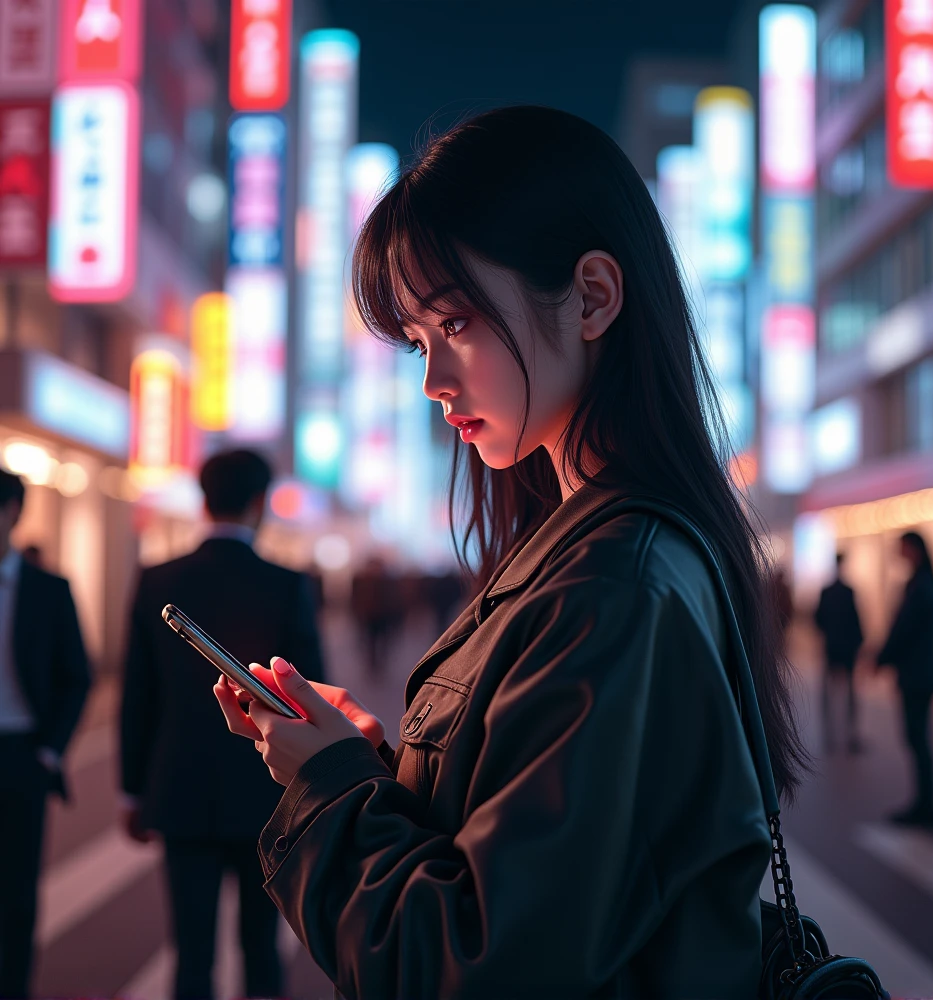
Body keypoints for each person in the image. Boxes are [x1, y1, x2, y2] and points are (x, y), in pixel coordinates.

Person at [213, 106, 809, 998]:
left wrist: (333, 789)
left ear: (595, 296)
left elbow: (472, 966)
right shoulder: (600, 551)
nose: (430, 382)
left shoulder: (615, 582)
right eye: (418, 342)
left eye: (454, 325)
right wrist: (374, 768)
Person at [119, 449, 326, 1000]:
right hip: (268, 795)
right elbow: (313, 696)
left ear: (203, 499)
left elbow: (137, 693)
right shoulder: (287, 584)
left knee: (192, 953)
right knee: (262, 950)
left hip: (178, 786)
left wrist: (131, 790)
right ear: (260, 503)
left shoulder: (157, 579)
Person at [0, 470, 91, 999]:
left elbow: (76, 676)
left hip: (22, 755)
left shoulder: (49, 590)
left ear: (13, 511)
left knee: (16, 894)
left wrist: (50, 752)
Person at [877, 531, 933, 829]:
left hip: (917, 674)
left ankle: (926, 805)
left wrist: (882, 658)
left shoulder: (919, 587)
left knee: (917, 737)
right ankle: (926, 803)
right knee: (919, 738)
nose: (900, 553)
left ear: (915, 550)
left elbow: (904, 630)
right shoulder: (930, 584)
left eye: (903, 548)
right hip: (926, 672)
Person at [814, 552, 864, 754]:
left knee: (829, 691)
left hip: (832, 645)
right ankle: (850, 733)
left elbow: (817, 618)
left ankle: (830, 735)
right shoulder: (849, 591)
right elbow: (855, 619)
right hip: (848, 647)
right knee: (850, 690)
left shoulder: (826, 591)